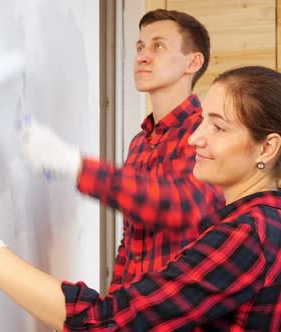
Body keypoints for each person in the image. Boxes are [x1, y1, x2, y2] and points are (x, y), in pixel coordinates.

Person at [0, 66, 281, 331]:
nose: (196, 137)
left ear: (266, 148)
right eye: (201, 120)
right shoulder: (252, 223)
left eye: (218, 127)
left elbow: (108, 322)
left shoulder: (251, 237)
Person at [19, 9, 224, 293]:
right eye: (139, 47)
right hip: (136, 313)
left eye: (158, 46)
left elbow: (180, 206)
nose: (141, 56)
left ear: (193, 62)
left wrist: (76, 165)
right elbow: (131, 242)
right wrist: (114, 306)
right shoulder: (140, 143)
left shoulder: (207, 134)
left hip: (182, 315)